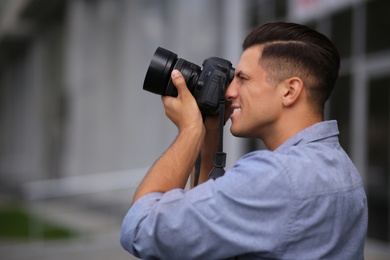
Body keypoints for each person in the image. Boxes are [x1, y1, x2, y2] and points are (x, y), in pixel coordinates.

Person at [120, 22, 368, 259]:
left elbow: (142, 227)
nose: (229, 91)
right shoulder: (340, 166)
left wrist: (190, 131)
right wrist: (209, 136)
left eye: (243, 79)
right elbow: (201, 237)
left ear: (290, 91)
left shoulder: (276, 176)